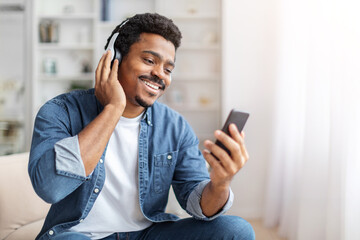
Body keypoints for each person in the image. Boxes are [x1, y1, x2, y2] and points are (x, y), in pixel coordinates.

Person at [29, 13, 255, 240]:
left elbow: (197, 205)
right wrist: (113, 109)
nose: (160, 74)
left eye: (168, 69)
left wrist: (221, 183)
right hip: (77, 235)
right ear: (114, 59)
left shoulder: (174, 126)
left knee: (237, 231)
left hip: (147, 234)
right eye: (149, 60)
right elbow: (50, 188)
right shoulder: (61, 111)